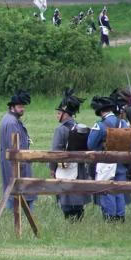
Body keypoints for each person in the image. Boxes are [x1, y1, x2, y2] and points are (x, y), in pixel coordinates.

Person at [87, 95, 129, 221]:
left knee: (107, 191)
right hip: (121, 162)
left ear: (101, 111)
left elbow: (91, 144)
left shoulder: (100, 125)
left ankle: (110, 217)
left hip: (106, 163)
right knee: (119, 190)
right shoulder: (123, 123)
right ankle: (120, 216)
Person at [50, 88, 89, 220]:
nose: (57, 115)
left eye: (59, 113)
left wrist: (52, 169)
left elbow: (55, 152)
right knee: (77, 198)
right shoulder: (80, 127)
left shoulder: (60, 130)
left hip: (65, 168)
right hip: (79, 168)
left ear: (65, 114)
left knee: (66, 198)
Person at [0, 90, 34, 210]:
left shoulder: (10, 119)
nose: (22, 109)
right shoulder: (12, 122)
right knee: (18, 196)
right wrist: (22, 164)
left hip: (15, 165)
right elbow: (15, 148)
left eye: (23, 106)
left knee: (14, 194)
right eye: (19, 106)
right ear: (12, 107)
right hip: (17, 166)